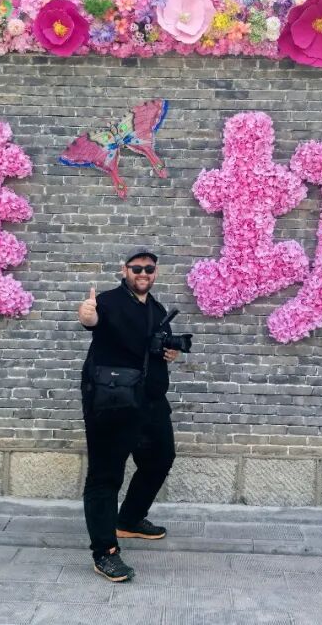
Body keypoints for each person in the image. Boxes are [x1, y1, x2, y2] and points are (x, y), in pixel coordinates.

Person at [77, 248, 180, 582]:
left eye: (149, 269)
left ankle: (130, 519)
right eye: (137, 268)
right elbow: (91, 321)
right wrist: (87, 315)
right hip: (112, 402)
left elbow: (152, 349)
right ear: (125, 271)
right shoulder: (106, 302)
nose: (143, 273)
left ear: (155, 273)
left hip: (150, 400)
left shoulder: (158, 309)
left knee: (161, 457)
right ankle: (105, 552)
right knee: (105, 476)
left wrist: (169, 352)